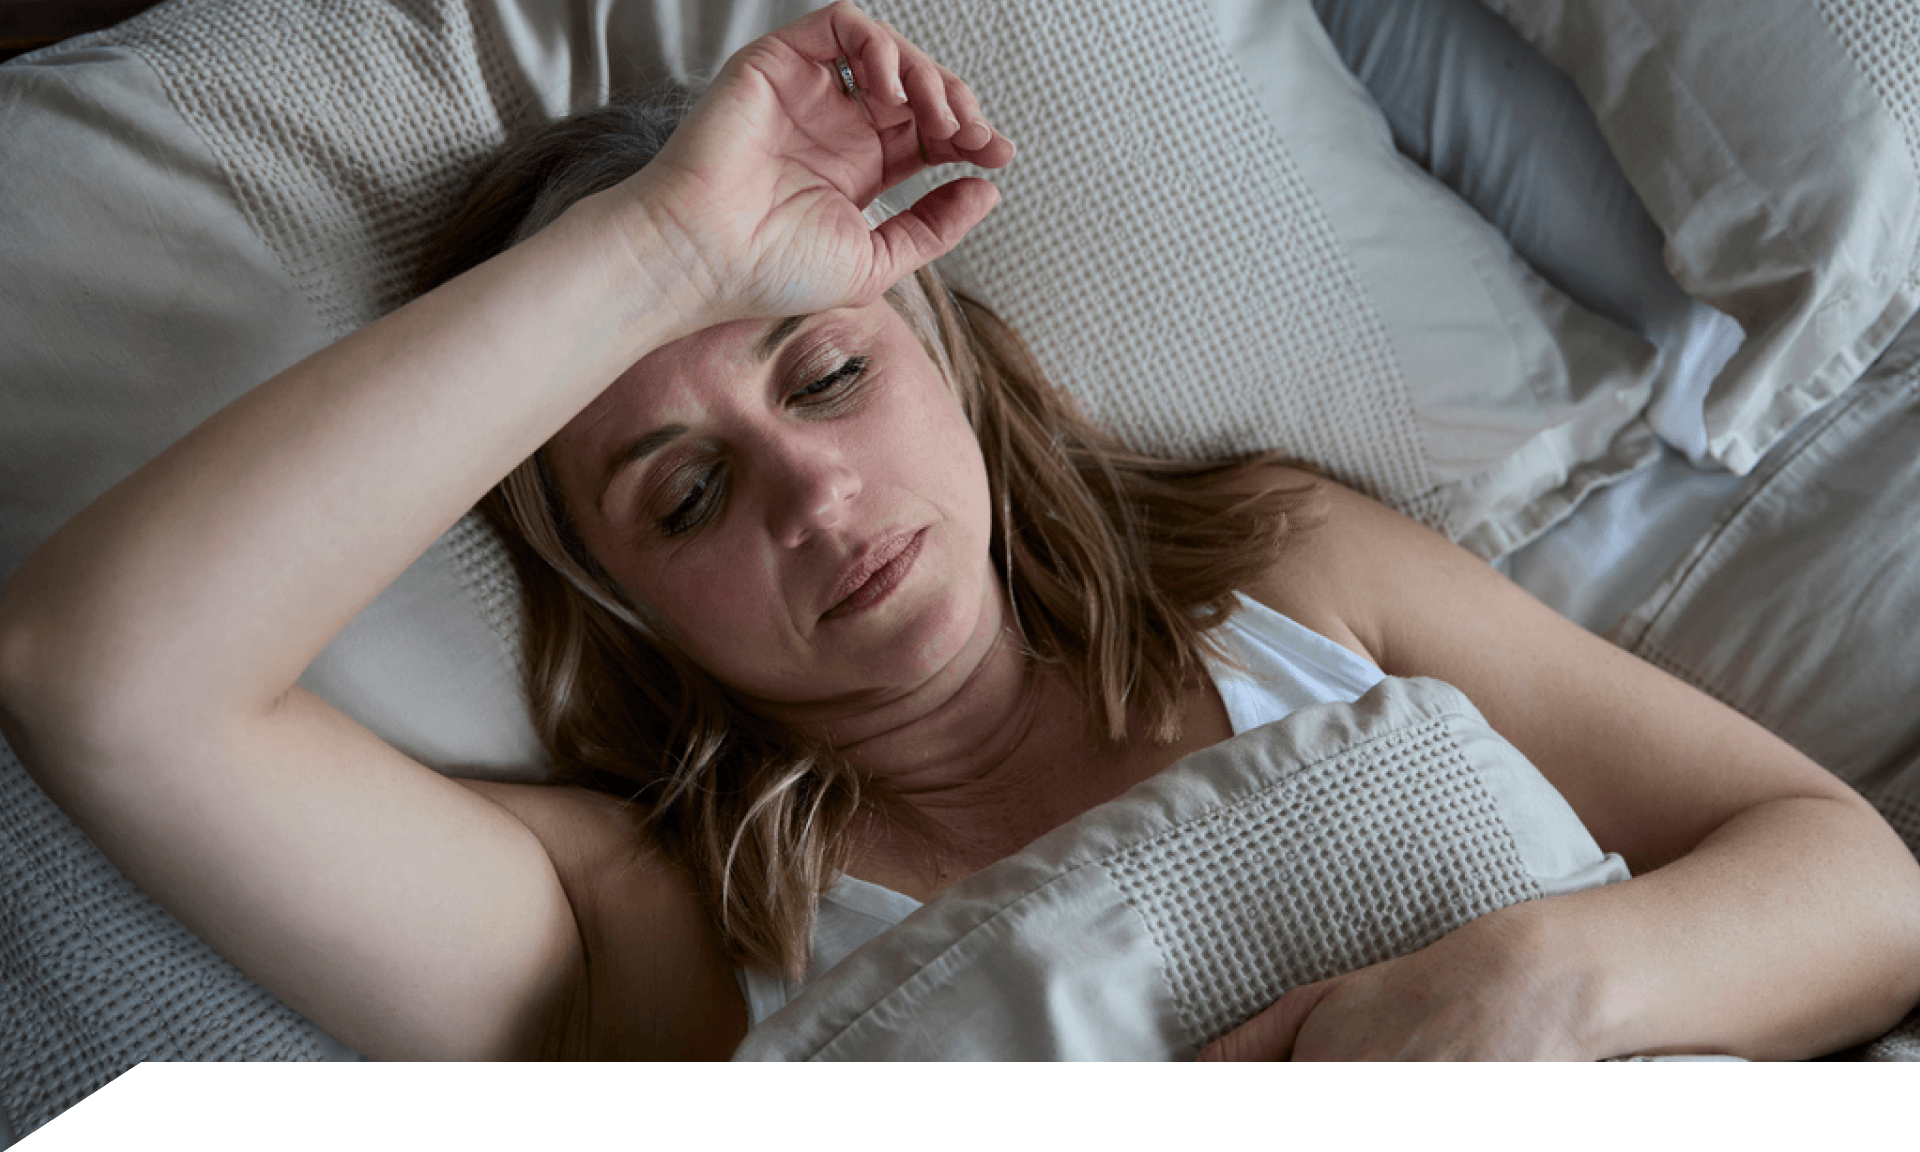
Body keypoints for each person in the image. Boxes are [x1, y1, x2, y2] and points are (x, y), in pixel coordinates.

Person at [0, 2, 1916, 1062]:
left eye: (824, 380)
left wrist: (1526, 993)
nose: (816, 498)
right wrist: (661, 249)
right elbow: (101, 678)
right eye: (682, 494)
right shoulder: (633, 935)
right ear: (626, 606)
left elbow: (1859, 885)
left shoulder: (1286, 573)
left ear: (954, 365)